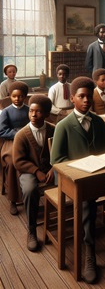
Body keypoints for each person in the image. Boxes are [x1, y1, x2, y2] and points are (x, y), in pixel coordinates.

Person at [51, 76, 105, 284]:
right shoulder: (63, 126)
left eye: (88, 96)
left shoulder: (99, 122)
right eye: (81, 97)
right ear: (73, 99)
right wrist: (79, 169)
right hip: (72, 180)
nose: (86, 100)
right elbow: (56, 160)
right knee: (87, 202)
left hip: (96, 175)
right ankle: (89, 252)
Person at [12, 95, 55, 252]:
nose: (33, 115)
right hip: (29, 172)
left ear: (46, 114)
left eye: (38, 112)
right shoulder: (21, 135)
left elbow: (60, 154)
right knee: (30, 190)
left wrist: (53, 169)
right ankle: (32, 230)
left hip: (52, 170)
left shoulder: (53, 129)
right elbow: (18, 161)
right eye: (31, 111)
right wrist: (36, 171)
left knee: (70, 183)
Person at [0, 81, 30, 215]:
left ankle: (30, 192)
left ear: (25, 97)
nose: (17, 99)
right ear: (10, 96)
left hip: (27, 141)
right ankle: (13, 200)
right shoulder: (6, 112)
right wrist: (18, 133)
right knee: (13, 162)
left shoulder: (29, 110)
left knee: (36, 158)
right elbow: (2, 131)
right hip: (10, 143)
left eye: (21, 96)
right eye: (14, 96)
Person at [85, 23, 105, 95]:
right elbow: (88, 64)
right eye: (102, 32)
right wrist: (96, 72)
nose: (104, 34)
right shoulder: (92, 46)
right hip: (97, 79)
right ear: (97, 33)